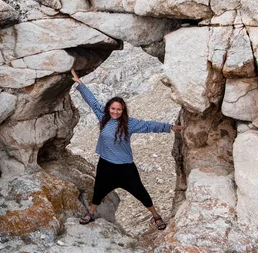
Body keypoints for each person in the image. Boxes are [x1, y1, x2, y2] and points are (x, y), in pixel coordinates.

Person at [70, 69, 184, 230]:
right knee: (99, 191)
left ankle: (156, 216)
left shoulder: (129, 124)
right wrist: (80, 84)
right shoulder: (103, 117)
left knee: (141, 192)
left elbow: (148, 125)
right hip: (106, 165)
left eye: (119, 109)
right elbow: (92, 101)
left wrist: (169, 127)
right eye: (113, 108)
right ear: (109, 108)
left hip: (125, 168)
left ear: (122, 111)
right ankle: (91, 213)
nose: (115, 112)